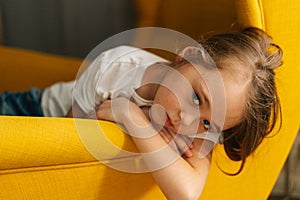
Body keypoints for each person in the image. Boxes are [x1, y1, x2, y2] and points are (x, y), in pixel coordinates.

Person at [0, 27, 282, 199]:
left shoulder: (199, 128)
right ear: (186, 56)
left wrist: (133, 119)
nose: (187, 121)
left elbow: (187, 193)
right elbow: (67, 141)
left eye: (209, 122)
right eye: (196, 96)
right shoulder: (116, 67)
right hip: (36, 112)